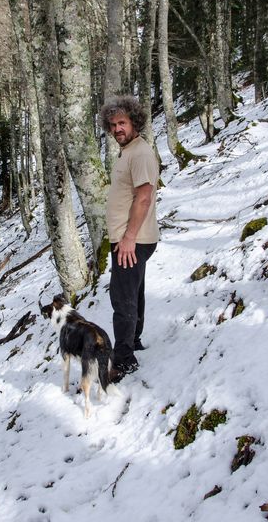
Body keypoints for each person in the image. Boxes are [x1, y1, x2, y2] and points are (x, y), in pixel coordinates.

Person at [100, 95, 159, 383]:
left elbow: (144, 197)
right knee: (133, 293)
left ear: (134, 122)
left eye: (122, 122)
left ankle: (123, 361)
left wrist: (129, 238)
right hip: (129, 237)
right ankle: (133, 342)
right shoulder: (128, 151)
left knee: (122, 298)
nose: (117, 129)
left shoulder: (141, 153)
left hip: (133, 238)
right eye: (112, 125)